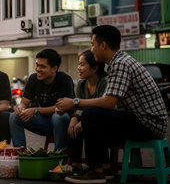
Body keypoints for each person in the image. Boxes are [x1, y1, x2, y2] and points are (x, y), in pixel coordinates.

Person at [57, 25, 168, 184]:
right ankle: (102, 168)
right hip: (141, 120)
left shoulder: (121, 64)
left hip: (149, 124)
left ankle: (96, 172)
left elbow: (109, 102)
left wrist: (75, 102)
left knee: (91, 114)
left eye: (92, 44)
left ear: (103, 45)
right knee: (89, 119)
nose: (92, 49)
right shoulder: (117, 62)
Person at [9, 48, 74, 150]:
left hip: (62, 123)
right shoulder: (33, 79)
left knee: (58, 117)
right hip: (43, 123)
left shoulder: (64, 79)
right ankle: (20, 156)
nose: (38, 69)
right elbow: (24, 102)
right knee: (14, 117)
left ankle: (60, 157)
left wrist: (35, 110)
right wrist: (20, 108)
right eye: (37, 65)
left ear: (54, 68)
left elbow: (61, 108)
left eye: (42, 66)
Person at [62, 50, 109, 175]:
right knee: (73, 126)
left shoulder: (105, 82)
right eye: (79, 64)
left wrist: (82, 122)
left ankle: (103, 165)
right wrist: (74, 118)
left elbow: (103, 108)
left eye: (82, 65)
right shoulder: (81, 84)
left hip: (105, 121)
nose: (78, 68)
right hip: (87, 118)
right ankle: (76, 164)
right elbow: (78, 107)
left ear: (94, 68)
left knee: (87, 123)